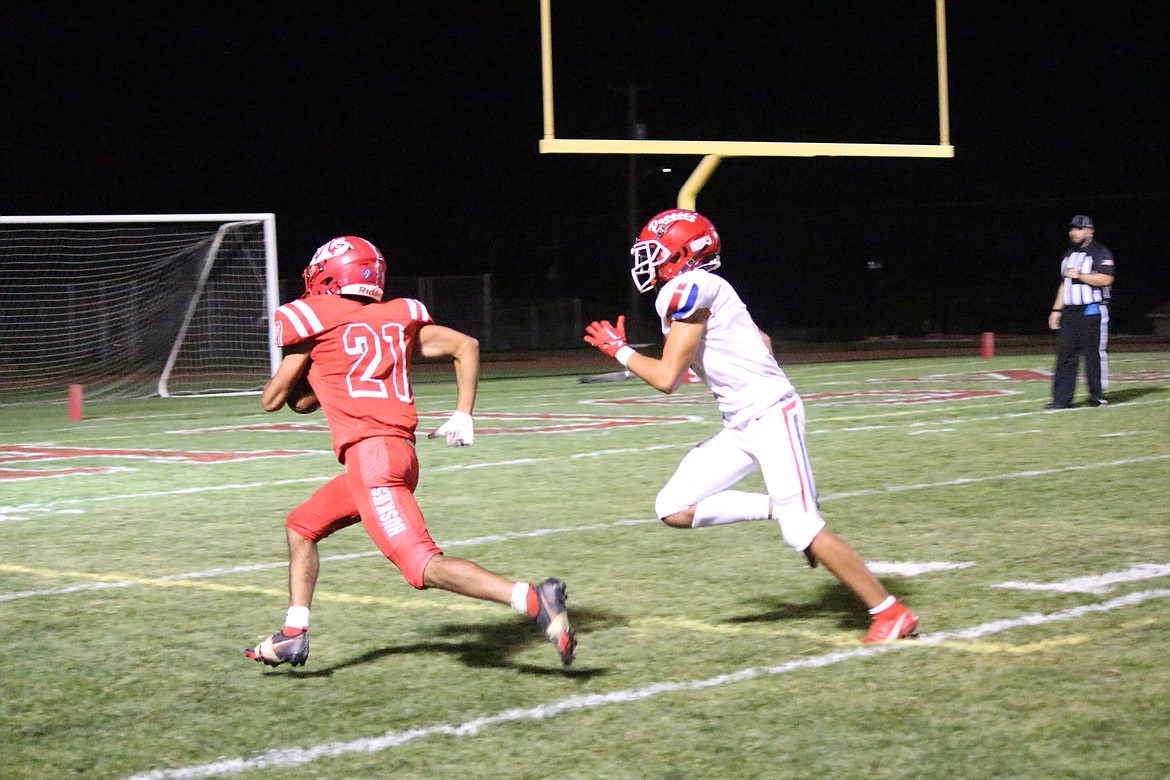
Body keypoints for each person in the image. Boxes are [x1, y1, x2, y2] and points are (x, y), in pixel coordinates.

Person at [584, 209, 917, 645]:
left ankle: (889, 612)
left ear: (684, 251)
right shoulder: (705, 288)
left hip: (770, 416)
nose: (646, 261)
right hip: (743, 422)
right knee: (673, 507)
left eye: (655, 251)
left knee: (802, 530)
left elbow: (666, 379)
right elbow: (762, 343)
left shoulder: (690, 287)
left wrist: (619, 351)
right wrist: (723, 365)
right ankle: (779, 508)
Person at [245, 236, 575, 668]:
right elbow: (467, 345)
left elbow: (275, 400)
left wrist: (302, 353)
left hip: (371, 460)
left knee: (421, 566)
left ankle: (531, 597)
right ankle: (293, 632)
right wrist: (463, 413)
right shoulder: (395, 319)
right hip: (399, 453)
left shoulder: (316, 321)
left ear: (330, 275)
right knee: (302, 526)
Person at [1046, 215, 1115, 409]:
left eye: (1078, 229)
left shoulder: (1100, 252)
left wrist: (1081, 276)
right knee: (1065, 356)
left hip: (1092, 310)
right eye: (1072, 229)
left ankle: (1097, 396)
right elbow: (1064, 284)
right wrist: (1056, 309)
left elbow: (1107, 279)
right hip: (1070, 311)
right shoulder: (1069, 253)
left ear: (1089, 230)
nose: (1073, 233)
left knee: (1093, 355)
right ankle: (1061, 400)